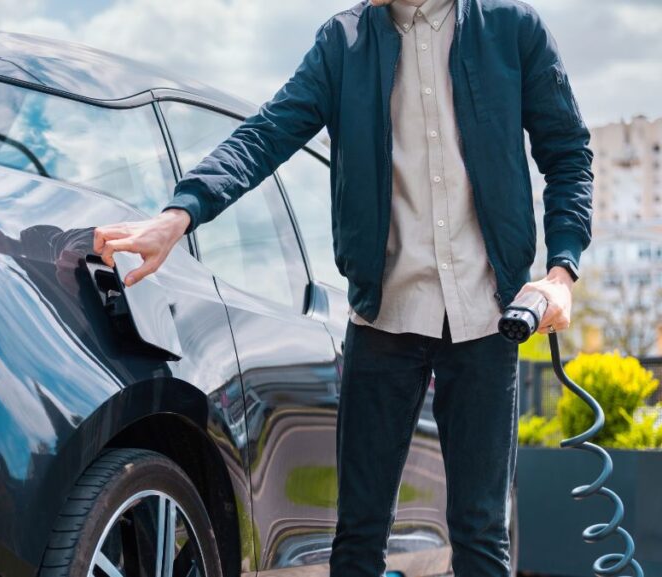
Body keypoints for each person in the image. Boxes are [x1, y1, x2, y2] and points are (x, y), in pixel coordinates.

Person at [93, 0, 591, 575]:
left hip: (488, 318)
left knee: (481, 536)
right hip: (383, 323)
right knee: (358, 537)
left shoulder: (512, 28)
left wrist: (561, 272)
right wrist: (180, 214)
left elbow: (568, 152)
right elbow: (266, 134)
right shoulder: (343, 42)